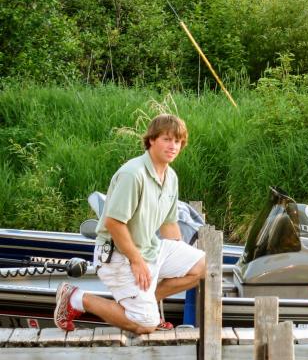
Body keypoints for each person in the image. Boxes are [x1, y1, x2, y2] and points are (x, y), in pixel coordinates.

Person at [54, 114, 206, 334]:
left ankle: (146, 303)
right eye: (166, 139)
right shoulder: (133, 174)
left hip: (151, 249)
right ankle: (76, 298)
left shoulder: (170, 177)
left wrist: (176, 260)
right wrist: (137, 260)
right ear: (152, 140)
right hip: (119, 255)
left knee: (203, 265)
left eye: (178, 141)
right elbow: (114, 223)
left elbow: (169, 225)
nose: (173, 146)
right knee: (145, 325)